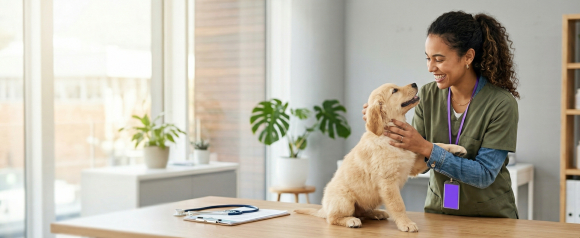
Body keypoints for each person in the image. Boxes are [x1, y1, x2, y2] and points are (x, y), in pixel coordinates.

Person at [362, 11, 520, 218]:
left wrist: (426, 147)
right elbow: (413, 165)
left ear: (468, 57)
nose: (430, 67)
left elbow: (484, 174)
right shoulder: (427, 96)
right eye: (428, 58)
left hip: (490, 217)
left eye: (439, 59)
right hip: (440, 214)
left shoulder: (501, 103)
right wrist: (384, 120)